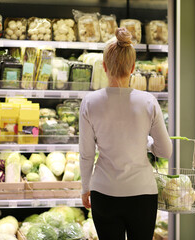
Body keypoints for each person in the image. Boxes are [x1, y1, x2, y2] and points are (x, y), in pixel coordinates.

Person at [79, 27, 172, 240]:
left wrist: (85, 188)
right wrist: (147, 142)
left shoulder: (89, 103)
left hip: (104, 193)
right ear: (133, 67)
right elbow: (165, 151)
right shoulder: (148, 102)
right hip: (142, 194)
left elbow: (86, 154)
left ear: (103, 66)